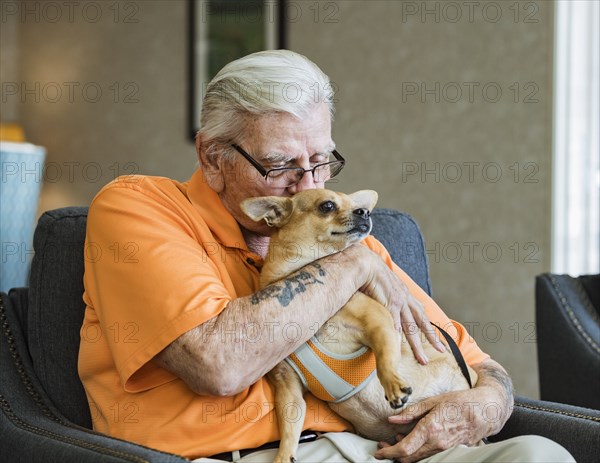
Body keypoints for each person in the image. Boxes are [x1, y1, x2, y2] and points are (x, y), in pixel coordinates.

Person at [78, 50, 574, 463]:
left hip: (380, 444)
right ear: (212, 157)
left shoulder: (344, 236)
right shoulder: (140, 208)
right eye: (281, 165)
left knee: (537, 455)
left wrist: (486, 404)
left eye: (322, 161)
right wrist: (353, 265)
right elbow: (218, 365)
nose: (312, 187)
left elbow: (476, 361)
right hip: (244, 452)